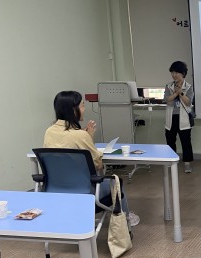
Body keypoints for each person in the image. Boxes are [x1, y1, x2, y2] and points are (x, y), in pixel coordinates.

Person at [43, 90, 139, 226]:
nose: (84, 109)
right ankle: (126, 220)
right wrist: (88, 137)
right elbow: (98, 165)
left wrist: (83, 136)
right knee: (116, 182)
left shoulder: (49, 131)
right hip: (84, 191)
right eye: (82, 105)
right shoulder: (80, 135)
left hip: (56, 191)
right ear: (73, 109)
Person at [164, 60, 195, 173]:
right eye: (172, 72)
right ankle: (171, 161)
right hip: (171, 118)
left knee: (186, 142)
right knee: (170, 141)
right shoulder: (169, 86)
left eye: (176, 72)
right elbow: (166, 100)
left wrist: (181, 93)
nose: (174, 75)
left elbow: (188, 102)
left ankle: (187, 164)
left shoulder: (188, 87)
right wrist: (176, 93)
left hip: (183, 118)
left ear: (183, 73)